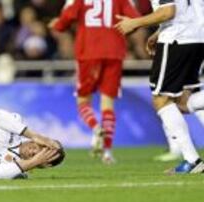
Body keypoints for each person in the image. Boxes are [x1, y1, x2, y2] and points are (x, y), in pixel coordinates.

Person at [115, 0, 204, 173]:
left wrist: (135, 23)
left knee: (161, 99)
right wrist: (160, 30)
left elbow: (168, 11)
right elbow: (184, 10)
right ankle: (192, 162)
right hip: (198, 38)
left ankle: (192, 161)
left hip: (178, 39)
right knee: (182, 102)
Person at [49, 0, 140, 164]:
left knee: (83, 100)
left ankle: (96, 128)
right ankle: (107, 152)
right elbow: (135, 20)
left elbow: (67, 17)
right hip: (114, 51)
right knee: (108, 104)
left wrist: (58, 25)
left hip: (88, 51)